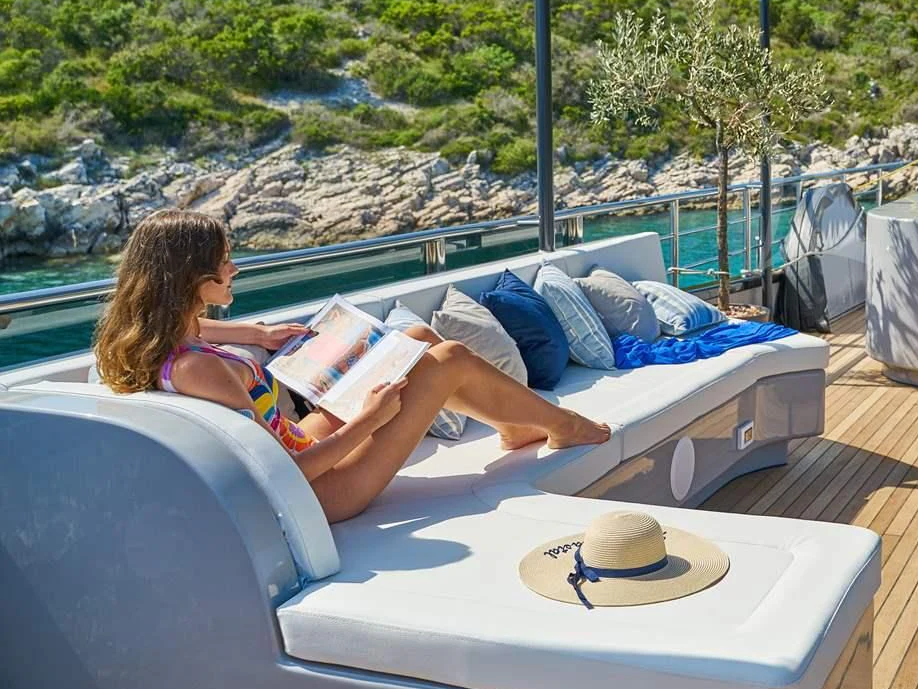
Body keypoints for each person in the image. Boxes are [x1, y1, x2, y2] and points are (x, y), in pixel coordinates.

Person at [94, 209, 610, 522]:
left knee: (415, 338)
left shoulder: (158, 340)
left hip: (300, 441)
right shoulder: (202, 373)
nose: (233, 269)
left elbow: (202, 333)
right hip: (323, 490)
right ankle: (564, 426)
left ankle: (515, 426)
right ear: (191, 276)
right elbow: (282, 473)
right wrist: (372, 417)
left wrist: (258, 334)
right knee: (446, 358)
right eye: (224, 262)